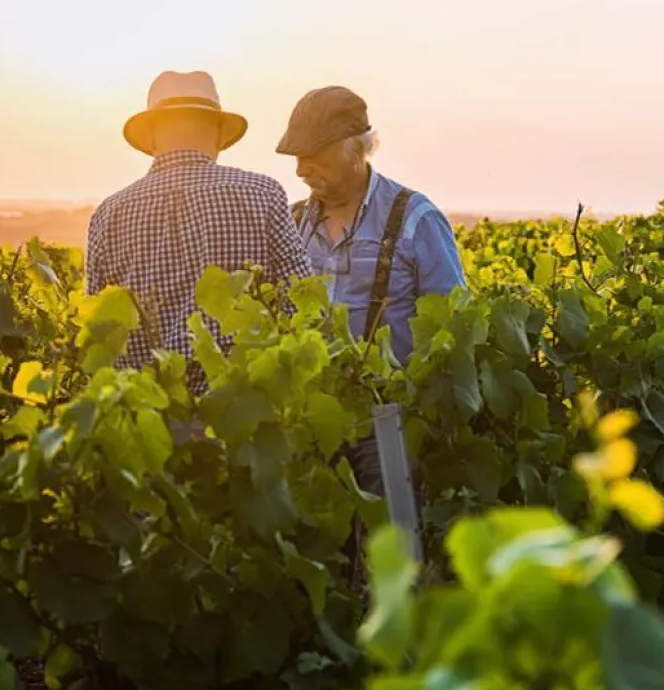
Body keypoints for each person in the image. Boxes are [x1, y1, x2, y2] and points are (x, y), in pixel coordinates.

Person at [275, 85, 467, 502]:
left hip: (390, 421)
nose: (301, 170)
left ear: (354, 148)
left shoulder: (416, 218)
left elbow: (454, 326)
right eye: (297, 157)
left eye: (313, 155)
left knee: (392, 548)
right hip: (314, 420)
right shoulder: (292, 222)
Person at [85, 70, 312, 396]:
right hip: (245, 411)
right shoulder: (264, 194)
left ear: (150, 136)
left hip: (147, 419)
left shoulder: (108, 215)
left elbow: (100, 337)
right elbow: (301, 304)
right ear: (219, 134)